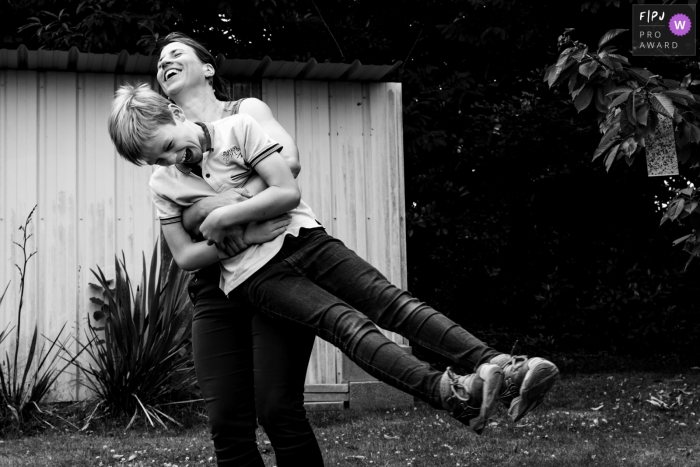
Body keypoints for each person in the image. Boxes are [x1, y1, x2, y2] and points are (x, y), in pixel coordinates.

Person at [108, 81, 560, 436]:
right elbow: (186, 256)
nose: (173, 159)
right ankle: (453, 393)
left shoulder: (238, 128)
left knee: (392, 303)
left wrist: (224, 219)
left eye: (169, 144)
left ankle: (500, 365)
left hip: (307, 239)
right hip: (254, 276)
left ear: (173, 113)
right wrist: (246, 234)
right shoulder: (163, 183)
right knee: (346, 325)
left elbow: (288, 192)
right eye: (158, 158)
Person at [152, 33, 324, 466]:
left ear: (207, 69)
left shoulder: (245, 112)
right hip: (215, 282)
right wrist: (210, 213)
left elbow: (288, 160)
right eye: (159, 61)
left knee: (277, 410)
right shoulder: (168, 152)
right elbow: (186, 232)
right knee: (227, 424)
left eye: (175, 54)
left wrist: (218, 210)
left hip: (272, 268)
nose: (164, 62)